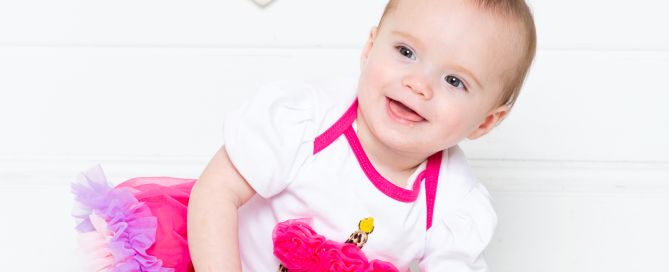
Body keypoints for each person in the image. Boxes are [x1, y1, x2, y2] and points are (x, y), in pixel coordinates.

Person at [71, 0, 536, 271]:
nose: (420, 84)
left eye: (455, 82)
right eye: (406, 51)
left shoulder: (455, 201)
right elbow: (216, 193)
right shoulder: (308, 120)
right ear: (370, 47)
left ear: (484, 122)